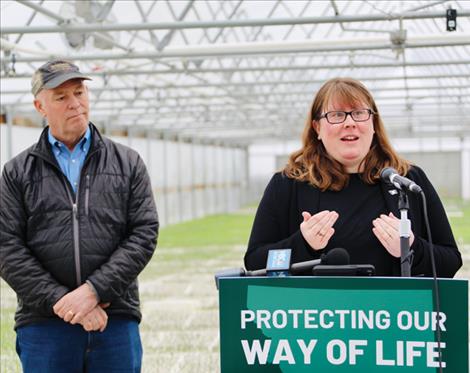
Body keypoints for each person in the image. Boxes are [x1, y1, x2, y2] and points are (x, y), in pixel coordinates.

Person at [0, 60, 159, 372]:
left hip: (113, 318)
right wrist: (63, 301)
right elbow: (6, 247)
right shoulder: (17, 172)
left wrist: (93, 292)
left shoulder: (127, 163)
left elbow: (143, 234)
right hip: (44, 323)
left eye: (79, 91)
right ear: (39, 106)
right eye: (61, 97)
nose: (75, 103)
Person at [244, 77, 461, 278]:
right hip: (313, 316)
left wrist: (412, 249)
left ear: (373, 124)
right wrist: (302, 245)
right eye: (336, 115)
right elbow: (255, 262)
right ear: (317, 127)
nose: (350, 122)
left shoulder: (407, 181)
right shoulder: (288, 184)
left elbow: (450, 261)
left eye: (359, 113)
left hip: (394, 315)